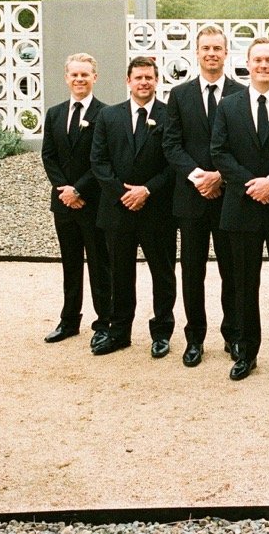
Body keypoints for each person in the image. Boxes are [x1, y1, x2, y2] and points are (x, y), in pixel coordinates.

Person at [210, 37, 269, 382]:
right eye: (258, 60)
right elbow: (219, 151)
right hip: (242, 207)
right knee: (244, 285)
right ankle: (246, 353)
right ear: (246, 64)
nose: (264, 65)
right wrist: (252, 184)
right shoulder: (229, 106)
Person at [162, 25, 245, 368]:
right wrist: (199, 177)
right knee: (192, 272)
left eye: (217, 48)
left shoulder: (241, 93)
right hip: (191, 199)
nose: (211, 53)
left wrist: (221, 177)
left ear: (226, 53)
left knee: (233, 272)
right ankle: (194, 338)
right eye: (205, 48)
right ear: (196, 53)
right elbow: (171, 143)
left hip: (229, 199)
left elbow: (243, 148)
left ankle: (235, 336)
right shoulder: (179, 96)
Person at [90, 56, 177, 358]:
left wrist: (148, 190)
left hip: (157, 210)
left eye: (149, 78)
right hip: (117, 210)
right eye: (138, 77)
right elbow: (98, 161)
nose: (143, 83)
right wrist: (122, 193)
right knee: (118, 273)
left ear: (156, 81)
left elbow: (174, 162)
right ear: (128, 81)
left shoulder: (169, 115)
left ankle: (162, 332)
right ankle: (119, 332)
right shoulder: (108, 116)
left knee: (162, 274)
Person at [40, 52, 111, 349]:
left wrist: (79, 190)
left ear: (94, 78)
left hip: (92, 203)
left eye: (85, 74)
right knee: (70, 264)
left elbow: (102, 160)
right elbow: (49, 156)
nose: (79, 79)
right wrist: (64, 191)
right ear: (66, 77)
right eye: (75, 74)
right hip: (64, 204)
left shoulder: (106, 114)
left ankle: (104, 322)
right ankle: (69, 320)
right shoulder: (54, 114)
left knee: (99, 264)